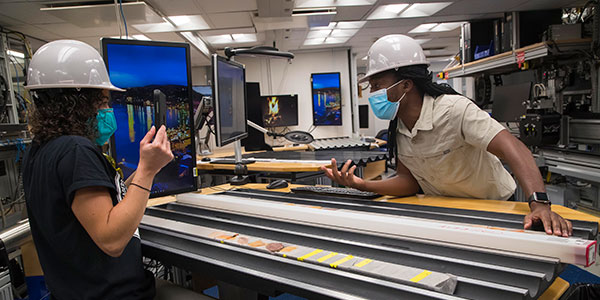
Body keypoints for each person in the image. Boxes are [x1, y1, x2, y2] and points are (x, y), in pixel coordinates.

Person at [321, 34, 572, 237]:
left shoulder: (454, 110)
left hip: (494, 206)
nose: (372, 93)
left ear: (406, 84)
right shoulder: (399, 127)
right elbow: (409, 181)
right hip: (448, 209)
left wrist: (539, 204)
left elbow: (514, 148)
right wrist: (362, 185)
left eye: (377, 86)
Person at [22, 40, 206, 300]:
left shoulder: (40, 150)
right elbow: (112, 240)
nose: (107, 110)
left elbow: (106, 204)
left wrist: (148, 166)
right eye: (103, 102)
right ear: (80, 102)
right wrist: (145, 171)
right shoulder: (76, 151)